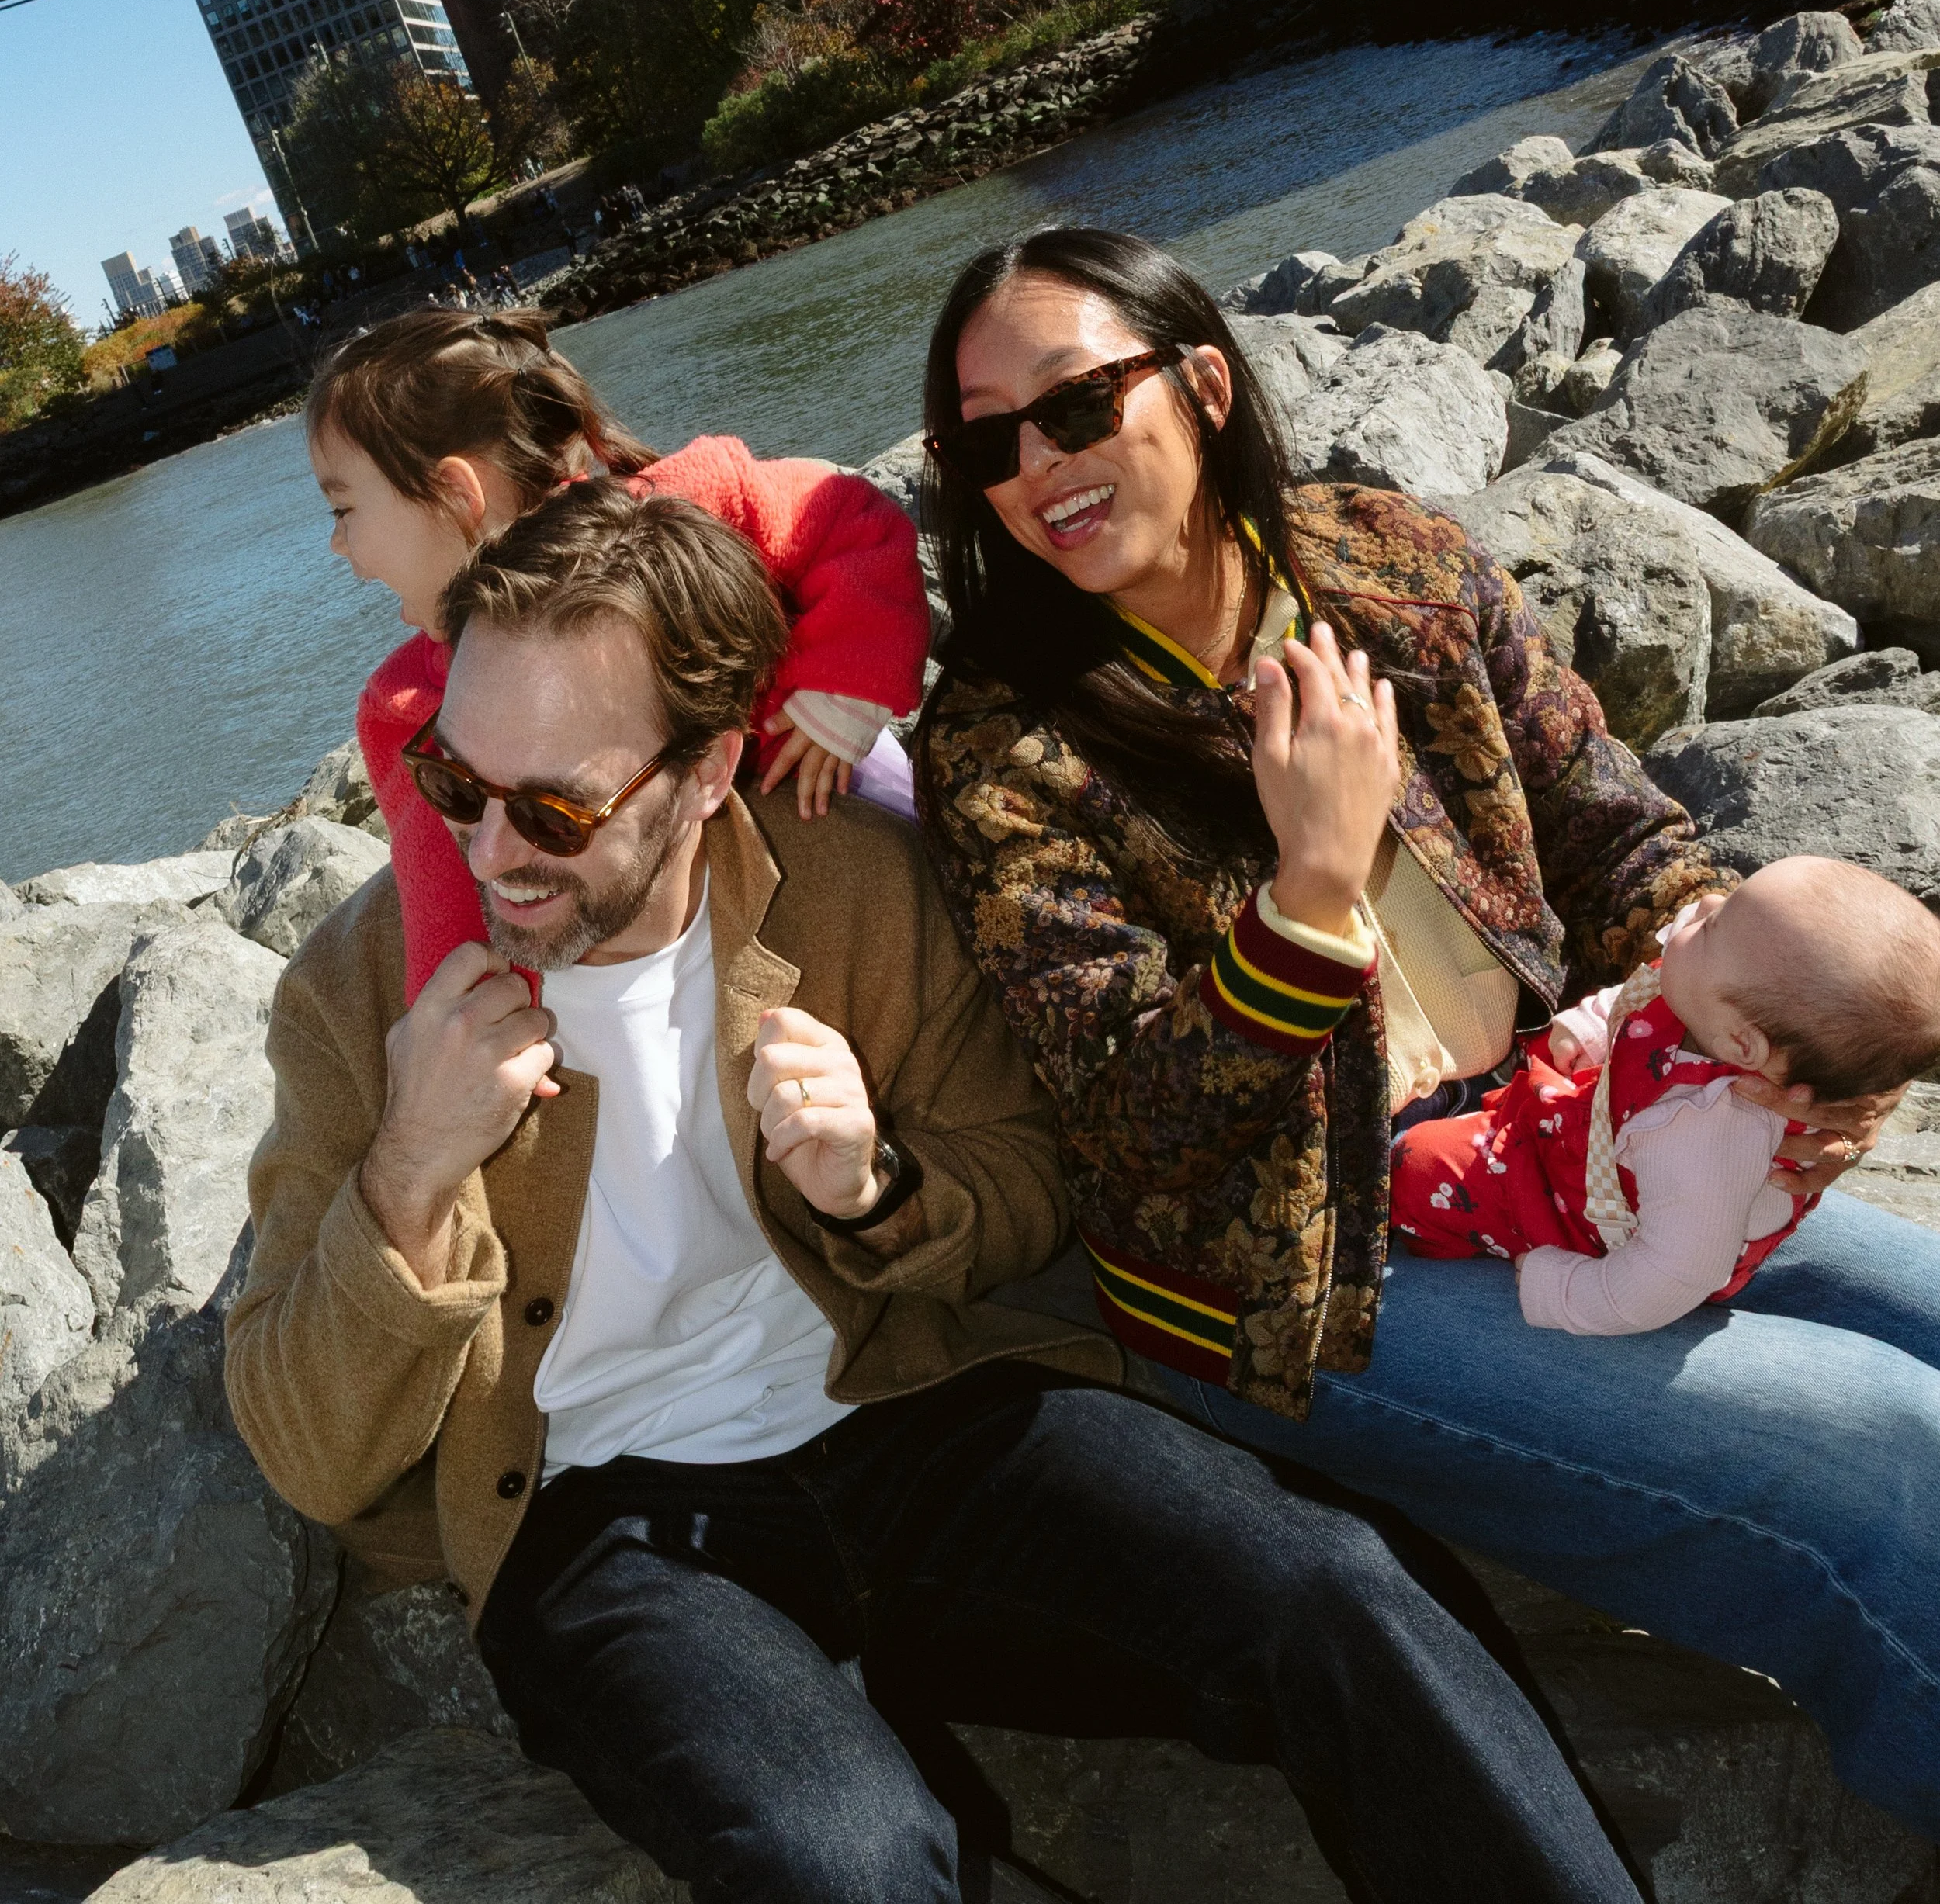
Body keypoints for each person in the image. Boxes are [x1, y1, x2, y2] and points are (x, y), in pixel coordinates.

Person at [226, 483, 1642, 1904]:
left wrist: (876, 1186)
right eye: (453, 782)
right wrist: (411, 1165)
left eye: (553, 807)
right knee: (843, 1860)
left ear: (712, 770)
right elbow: (308, 1451)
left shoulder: (851, 880)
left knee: (1342, 1599)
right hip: (602, 1527)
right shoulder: (364, 992)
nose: (487, 854)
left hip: (914, 1415)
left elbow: (1025, 1187)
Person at [910, 226, 1940, 1838]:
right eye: (984, 438)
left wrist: (1771, 1038)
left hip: (1572, 1128)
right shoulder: (1001, 742)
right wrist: (1308, 887)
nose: (1035, 462)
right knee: (1880, 1450)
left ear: (1198, 378)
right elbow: (1133, 1118)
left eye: (1075, 402)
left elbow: (1617, 842)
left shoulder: (1388, 560)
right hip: (1307, 1267)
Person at [307, 309, 927, 1006]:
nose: (338, 546)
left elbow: (849, 516)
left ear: (456, 494)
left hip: (834, 792)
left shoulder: (666, 514)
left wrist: (843, 688)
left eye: (342, 510)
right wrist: (465, 1018)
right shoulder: (408, 707)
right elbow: (447, 902)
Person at [1392, 860, 1940, 1332]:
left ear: (1741, 1044)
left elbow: (1677, 1273)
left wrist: (1568, 1289)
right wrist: (1593, 1025)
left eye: (1715, 926)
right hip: (1597, 1138)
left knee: (1417, 1165)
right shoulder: (1715, 1012)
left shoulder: (1705, 1136)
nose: (1707, 897)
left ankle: (1417, 1230)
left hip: (1585, 1211)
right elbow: (1644, 996)